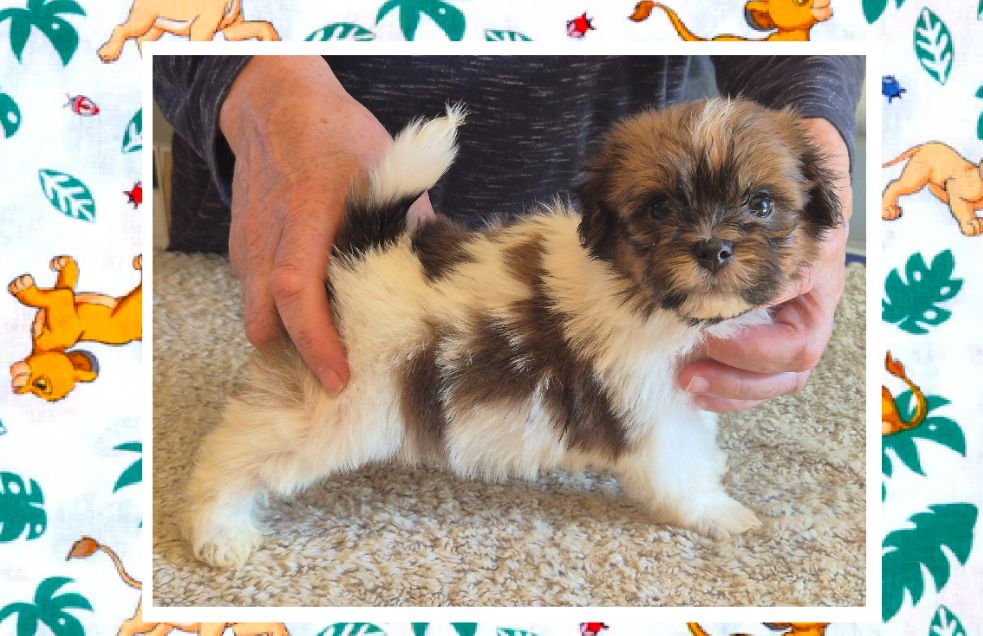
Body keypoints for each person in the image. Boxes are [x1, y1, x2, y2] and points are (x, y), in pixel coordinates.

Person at [154, 54, 863, 413]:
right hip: (298, 192)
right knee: (325, 389)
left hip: (602, 183)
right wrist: (262, 85)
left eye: (762, 206)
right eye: (659, 212)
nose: (715, 239)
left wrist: (815, 116)